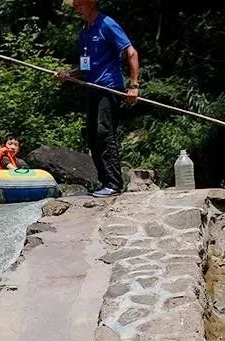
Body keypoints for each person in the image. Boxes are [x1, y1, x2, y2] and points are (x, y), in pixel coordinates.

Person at [55, 0, 140, 198]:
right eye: (75, 5)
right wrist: (68, 75)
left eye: (79, 4)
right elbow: (86, 68)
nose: (76, 8)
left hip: (108, 86)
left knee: (104, 132)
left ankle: (114, 183)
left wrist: (134, 86)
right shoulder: (83, 31)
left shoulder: (107, 24)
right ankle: (105, 182)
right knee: (92, 135)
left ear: (90, 4)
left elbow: (131, 52)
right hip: (92, 87)